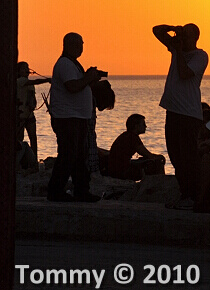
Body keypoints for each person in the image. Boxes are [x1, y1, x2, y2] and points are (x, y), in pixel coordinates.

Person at [154, 23, 209, 210]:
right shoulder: (177, 50)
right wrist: (173, 28)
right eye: (182, 35)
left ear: (195, 38)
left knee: (188, 158)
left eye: (186, 35)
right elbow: (156, 30)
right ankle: (185, 194)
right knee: (176, 156)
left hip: (189, 114)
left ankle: (192, 196)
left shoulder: (200, 56)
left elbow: (185, 74)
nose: (183, 38)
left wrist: (177, 50)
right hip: (173, 112)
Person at [46, 33, 105, 202]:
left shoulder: (72, 64)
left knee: (79, 156)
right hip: (67, 118)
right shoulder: (65, 64)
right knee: (68, 155)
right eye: (79, 44)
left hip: (76, 117)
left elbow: (78, 84)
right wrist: (88, 78)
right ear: (71, 44)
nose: (81, 47)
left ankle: (81, 190)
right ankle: (55, 191)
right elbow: (72, 86)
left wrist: (89, 78)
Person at [106, 114, 166, 180]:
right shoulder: (133, 138)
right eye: (143, 124)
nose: (146, 126)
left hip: (116, 168)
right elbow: (147, 154)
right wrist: (160, 157)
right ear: (136, 126)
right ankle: (160, 184)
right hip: (121, 171)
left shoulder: (126, 135)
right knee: (156, 163)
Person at [16, 61, 47, 158]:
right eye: (24, 68)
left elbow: (32, 97)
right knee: (20, 139)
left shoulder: (29, 84)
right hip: (21, 116)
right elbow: (35, 81)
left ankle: (34, 160)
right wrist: (47, 80)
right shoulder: (20, 81)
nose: (27, 69)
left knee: (33, 138)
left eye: (27, 67)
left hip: (29, 115)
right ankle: (20, 160)